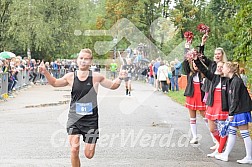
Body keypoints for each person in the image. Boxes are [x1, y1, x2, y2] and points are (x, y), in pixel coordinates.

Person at [39, 48, 127, 167]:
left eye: (86, 59)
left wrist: (120, 78)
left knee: (89, 154)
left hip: (91, 120)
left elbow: (113, 86)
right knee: (74, 149)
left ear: (90, 61)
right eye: (81, 58)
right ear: (77, 60)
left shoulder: (96, 77)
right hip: (74, 118)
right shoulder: (70, 76)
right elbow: (54, 83)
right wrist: (45, 72)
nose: (83, 61)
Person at [215, 62, 252, 164]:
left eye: (224, 68)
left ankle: (249, 157)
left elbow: (235, 98)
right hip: (237, 110)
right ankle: (225, 154)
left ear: (229, 70)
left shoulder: (236, 81)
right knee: (232, 132)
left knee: (245, 134)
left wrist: (230, 113)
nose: (222, 69)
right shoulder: (231, 80)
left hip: (241, 110)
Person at [194, 56, 229, 157]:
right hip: (212, 105)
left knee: (223, 130)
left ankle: (219, 150)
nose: (219, 68)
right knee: (212, 129)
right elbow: (203, 69)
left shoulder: (228, 80)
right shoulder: (214, 77)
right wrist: (196, 60)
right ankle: (220, 145)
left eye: (221, 67)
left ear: (225, 68)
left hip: (223, 107)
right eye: (218, 66)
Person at [183, 57, 206, 144]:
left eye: (197, 63)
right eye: (194, 63)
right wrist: (187, 48)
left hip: (201, 98)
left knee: (206, 118)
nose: (195, 65)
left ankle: (215, 138)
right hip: (191, 97)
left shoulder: (204, 74)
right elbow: (185, 64)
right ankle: (195, 136)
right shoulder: (190, 73)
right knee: (192, 118)